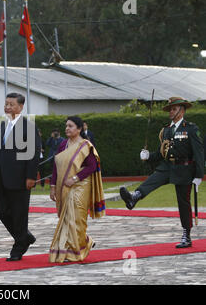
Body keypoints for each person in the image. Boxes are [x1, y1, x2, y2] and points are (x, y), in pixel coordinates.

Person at [120, 97, 204, 248]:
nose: (170, 112)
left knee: (183, 202)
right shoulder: (166, 130)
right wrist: (148, 156)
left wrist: (199, 175)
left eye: (173, 108)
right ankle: (134, 197)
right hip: (167, 166)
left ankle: (186, 234)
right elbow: (162, 153)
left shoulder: (190, 129)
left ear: (182, 110)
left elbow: (199, 153)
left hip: (184, 168)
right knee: (153, 179)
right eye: (170, 109)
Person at [49, 116, 105, 263]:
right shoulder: (63, 145)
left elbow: (92, 166)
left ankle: (75, 252)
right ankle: (83, 243)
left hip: (80, 186)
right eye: (66, 126)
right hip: (63, 186)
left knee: (76, 219)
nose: (67, 128)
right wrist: (53, 186)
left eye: (71, 126)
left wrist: (74, 179)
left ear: (79, 129)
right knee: (66, 219)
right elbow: (56, 166)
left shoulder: (85, 145)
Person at [0, 93, 41, 261]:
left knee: (19, 213)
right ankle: (25, 237)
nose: (7, 107)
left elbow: (33, 153)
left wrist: (30, 176)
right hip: (2, 178)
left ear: (20, 107)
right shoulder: (2, 125)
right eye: (6, 104)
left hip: (20, 178)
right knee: (1, 212)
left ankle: (19, 246)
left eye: (11, 104)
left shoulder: (28, 126)